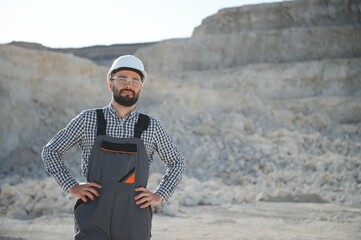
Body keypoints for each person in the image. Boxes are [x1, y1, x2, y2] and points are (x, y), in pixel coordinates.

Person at [41, 55, 185, 240]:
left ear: (140, 87)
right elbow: (51, 151)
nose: (128, 84)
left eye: (135, 80)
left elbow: (177, 162)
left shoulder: (151, 126)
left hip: (134, 217)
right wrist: (71, 186)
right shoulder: (88, 120)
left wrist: (160, 195)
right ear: (110, 84)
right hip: (94, 214)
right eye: (122, 78)